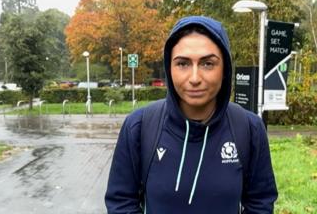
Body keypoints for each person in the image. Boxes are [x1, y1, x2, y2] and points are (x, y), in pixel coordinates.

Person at [105, 16, 278, 214]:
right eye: (183, 64)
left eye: (207, 64)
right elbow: (121, 203)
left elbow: (261, 203)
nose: (195, 78)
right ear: (169, 68)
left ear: (225, 70)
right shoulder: (139, 126)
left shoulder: (249, 128)